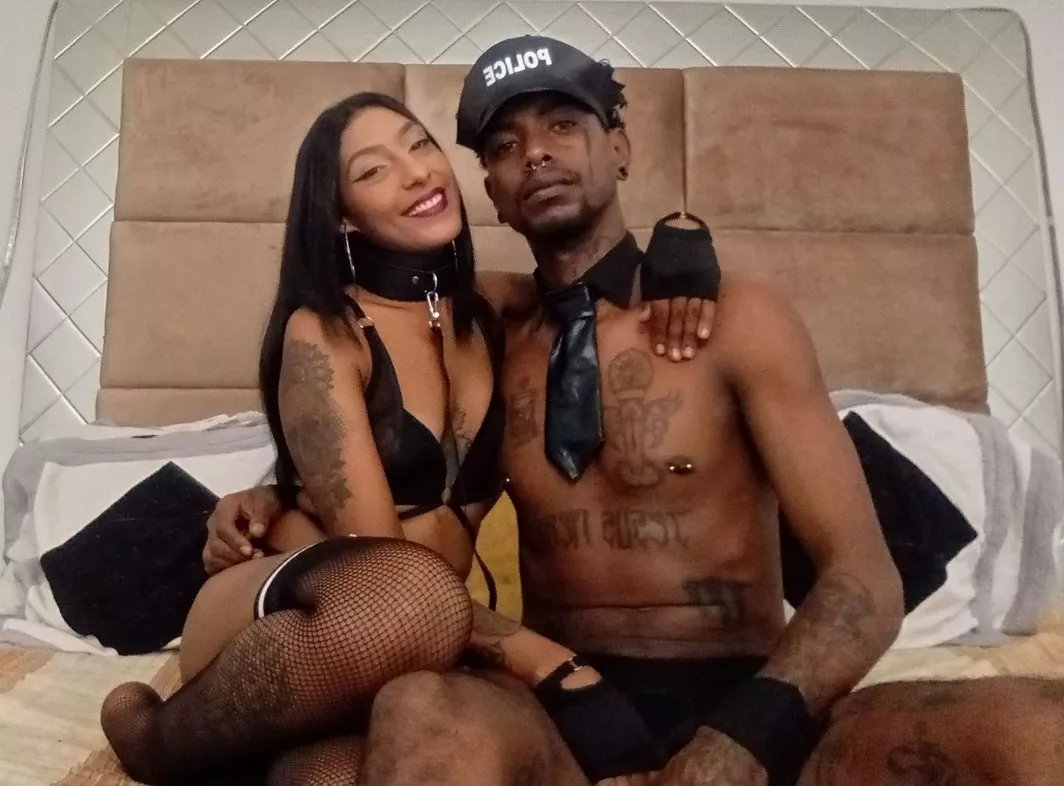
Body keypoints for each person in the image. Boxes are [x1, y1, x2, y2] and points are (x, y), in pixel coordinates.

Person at [208, 35, 1064, 786]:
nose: (536, 154)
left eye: (564, 125)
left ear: (619, 147)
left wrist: (744, 739)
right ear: (492, 192)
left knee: (1048, 727)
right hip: (557, 713)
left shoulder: (738, 319)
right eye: (506, 146)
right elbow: (373, 414)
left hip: (752, 694)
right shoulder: (487, 330)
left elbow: (864, 578)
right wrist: (272, 491)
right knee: (418, 708)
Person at [98, 86, 718, 785]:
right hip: (302, 618)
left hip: (418, 653)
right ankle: (155, 741)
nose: (417, 172)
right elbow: (380, 566)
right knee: (410, 595)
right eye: (373, 170)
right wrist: (555, 664)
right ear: (341, 215)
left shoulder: (497, 309)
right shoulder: (328, 333)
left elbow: (594, 273)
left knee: (340, 775)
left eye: (420, 146)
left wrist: (685, 244)